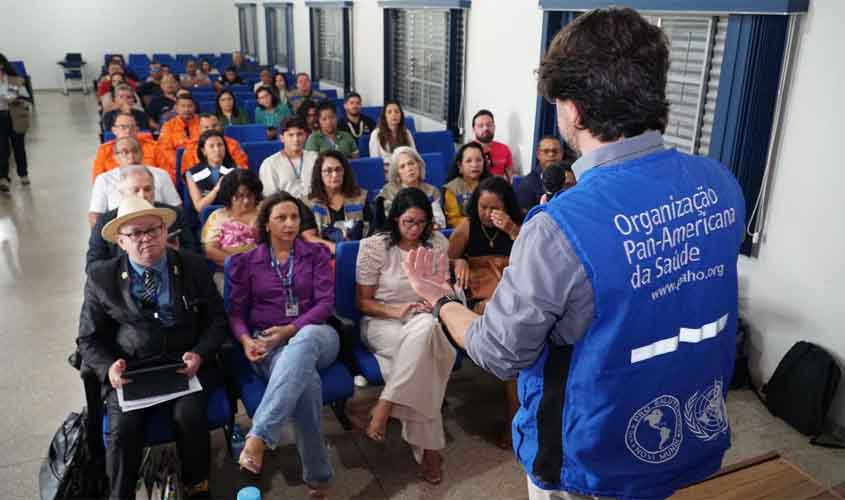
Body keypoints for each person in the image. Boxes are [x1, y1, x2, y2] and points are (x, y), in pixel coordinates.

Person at [400, 8, 746, 500]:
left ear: (575, 109)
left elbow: (500, 351)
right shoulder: (720, 184)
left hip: (592, 460)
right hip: (690, 432)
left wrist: (441, 302)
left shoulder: (560, 226)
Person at [77, 196, 227, 499]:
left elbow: (218, 322)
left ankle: (196, 485)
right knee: (124, 430)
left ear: (165, 232)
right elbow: (87, 339)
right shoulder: (102, 277)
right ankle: (120, 494)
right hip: (132, 370)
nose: (146, 238)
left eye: (153, 230)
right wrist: (109, 369)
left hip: (184, 366)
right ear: (121, 241)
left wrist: (200, 353)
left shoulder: (194, 267)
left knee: (190, 416)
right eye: (135, 233)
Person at [227, 191, 338, 499]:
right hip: (268, 343)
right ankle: (318, 480)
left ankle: (259, 435)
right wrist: (247, 340)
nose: (290, 224)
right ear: (266, 224)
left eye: (294, 217)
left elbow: (325, 304)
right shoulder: (247, 262)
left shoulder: (315, 254)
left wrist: (291, 329)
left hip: (318, 335)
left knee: (303, 339)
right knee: (308, 384)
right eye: (281, 218)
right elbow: (235, 313)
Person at [355, 187, 453, 485]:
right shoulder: (374, 246)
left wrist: (433, 301)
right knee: (427, 360)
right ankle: (430, 452)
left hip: (425, 321)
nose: (414, 229)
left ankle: (386, 402)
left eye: (421, 223)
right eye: (408, 222)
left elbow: (444, 290)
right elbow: (363, 302)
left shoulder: (437, 243)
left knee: (426, 331)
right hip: (383, 321)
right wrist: (397, 311)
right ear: (395, 219)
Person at [447, 176, 522, 449]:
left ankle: (522, 409)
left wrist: (513, 229)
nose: (488, 214)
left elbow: (534, 255)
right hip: (483, 298)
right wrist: (459, 261)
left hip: (515, 294)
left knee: (519, 329)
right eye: (483, 207)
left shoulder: (519, 223)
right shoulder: (468, 226)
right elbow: (446, 260)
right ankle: (515, 414)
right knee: (508, 327)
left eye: (494, 208)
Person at [87, 165, 198, 271]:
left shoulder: (175, 215)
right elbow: (93, 266)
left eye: (148, 189)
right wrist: (134, 255)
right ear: (122, 193)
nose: (143, 195)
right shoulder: (105, 221)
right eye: (135, 190)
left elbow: (194, 256)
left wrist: (170, 252)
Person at [89, 136, 179, 226]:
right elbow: (95, 216)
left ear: (142, 153)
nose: (131, 157)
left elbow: (176, 208)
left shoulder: (161, 174)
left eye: (135, 151)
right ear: (115, 157)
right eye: (124, 152)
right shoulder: (104, 179)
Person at [302, 150, 371, 254]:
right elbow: (308, 237)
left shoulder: (361, 197)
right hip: (323, 258)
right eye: (328, 171)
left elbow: (372, 231)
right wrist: (337, 249)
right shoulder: (308, 203)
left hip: (360, 255)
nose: (334, 175)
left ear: (344, 172)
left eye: (338, 170)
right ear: (319, 174)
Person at [201, 169, 261, 267]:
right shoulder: (218, 216)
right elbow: (210, 251)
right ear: (229, 196)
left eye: (249, 195)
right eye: (240, 196)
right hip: (227, 270)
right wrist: (238, 263)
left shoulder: (265, 213)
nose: (246, 201)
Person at [375, 146, 445, 230]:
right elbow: (390, 224)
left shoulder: (431, 191)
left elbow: (440, 223)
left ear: (419, 165)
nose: (409, 169)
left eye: (411, 163)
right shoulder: (388, 192)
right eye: (402, 166)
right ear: (397, 173)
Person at [92, 113, 163, 183]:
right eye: (123, 127)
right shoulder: (104, 150)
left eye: (132, 127)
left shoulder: (153, 147)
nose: (128, 131)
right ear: (114, 130)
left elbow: (166, 174)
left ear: (137, 130)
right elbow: (98, 181)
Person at [259, 116, 317, 199]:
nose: (296, 139)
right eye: (291, 135)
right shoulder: (269, 164)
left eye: (299, 134)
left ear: (306, 136)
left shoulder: (315, 158)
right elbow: (270, 197)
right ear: (282, 138)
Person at [185, 129, 243, 213]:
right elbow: (200, 208)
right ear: (204, 151)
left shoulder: (236, 170)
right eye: (211, 146)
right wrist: (217, 189)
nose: (217, 150)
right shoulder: (192, 173)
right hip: (204, 219)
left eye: (220, 145)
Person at [516, 136, 574, 213]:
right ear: (538, 154)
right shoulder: (527, 184)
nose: (551, 155)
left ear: (562, 153)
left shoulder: (572, 176)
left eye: (555, 151)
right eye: (546, 151)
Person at [0, 53, 30, 192]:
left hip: (15, 115)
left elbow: (23, 96)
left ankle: (23, 174)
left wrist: (15, 98)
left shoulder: (15, 79)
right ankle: (3, 178)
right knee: (2, 148)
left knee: (18, 146)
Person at [180, 113, 249, 172]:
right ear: (199, 129)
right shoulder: (191, 147)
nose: (211, 129)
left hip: (230, 182)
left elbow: (241, 167)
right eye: (206, 127)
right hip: (201, 184)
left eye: (214, 126)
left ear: (220, 126)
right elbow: (189, 173)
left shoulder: (233, 144)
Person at [443, 142, 489, 227]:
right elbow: (453, 220)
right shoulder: (452, 189)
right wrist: (477, 223)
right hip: (464, 231)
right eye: (469, 161)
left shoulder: (492, 185)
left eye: (479, 160)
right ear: (460, 165)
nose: (474, 165)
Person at [156, 94, 201, 181]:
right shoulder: (168, 126)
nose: (186, 109)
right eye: (183, 106)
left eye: (189, 106)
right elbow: (165, 150)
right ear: (176, 108)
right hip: (177, 167)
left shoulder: (202, 123)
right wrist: (182, 166)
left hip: (200, 165)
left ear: (194, 107)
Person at [369, 101, 416, 167]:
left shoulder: (406, 132)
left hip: (405, 170)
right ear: (384, 117)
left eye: (397, 112)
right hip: (386, 171)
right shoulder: (376, 134)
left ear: (401, 115)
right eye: (389, 112)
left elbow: (414, 155)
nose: (393, 114)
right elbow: (375, 161)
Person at [471, 110, 514, 182]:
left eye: (489, 125)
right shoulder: (468, 150)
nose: (485, 128)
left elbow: (510, 179)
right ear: (474, 129)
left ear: (494, 127)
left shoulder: (504, 149)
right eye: (480, 126)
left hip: (499, 190)